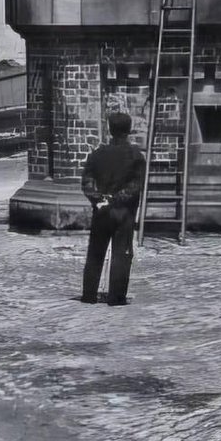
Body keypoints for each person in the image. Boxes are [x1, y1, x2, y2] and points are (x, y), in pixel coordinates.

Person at [80, 111, 146, 305]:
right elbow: (135, 186)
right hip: (123, 212)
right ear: (128, 130)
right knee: (121, 255)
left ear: (109, 129)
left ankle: (89, 295)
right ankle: (116, 297)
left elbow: (87, 182)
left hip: (101, 211)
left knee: (95, 253)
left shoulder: (96, 154)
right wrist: (117, 199)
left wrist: (98, 199)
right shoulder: (136, 156)